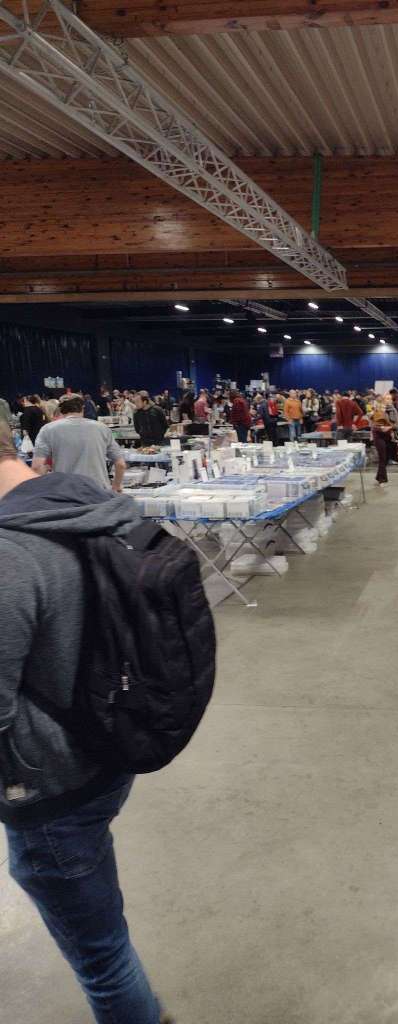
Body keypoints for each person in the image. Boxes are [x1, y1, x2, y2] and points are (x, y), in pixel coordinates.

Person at [0, 422, 174, 1024]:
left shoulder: (10, 551)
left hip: (49, 788)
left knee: (102, 958)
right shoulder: (99, 510)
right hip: (110, 745)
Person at [32, 395, 126, 493]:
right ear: (83, 408)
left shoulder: (47, 430)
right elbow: (120, 464)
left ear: (61, 409)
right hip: (98, 492)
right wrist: (116, 486)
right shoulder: (102, 428)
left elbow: (37, 467)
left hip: (65, 493)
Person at [371, 400, 394, 487]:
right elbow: (378, 428)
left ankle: (379, 477)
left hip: (385, 438)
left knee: (385, 458)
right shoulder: (377, 415)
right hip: (379, 438)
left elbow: (390, 426)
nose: (384, 408)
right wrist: (389, 427)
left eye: (384, 407)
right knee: (383, 458)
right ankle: (382, 480)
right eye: (382, 407)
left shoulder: (385, 414)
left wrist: (389, 427)